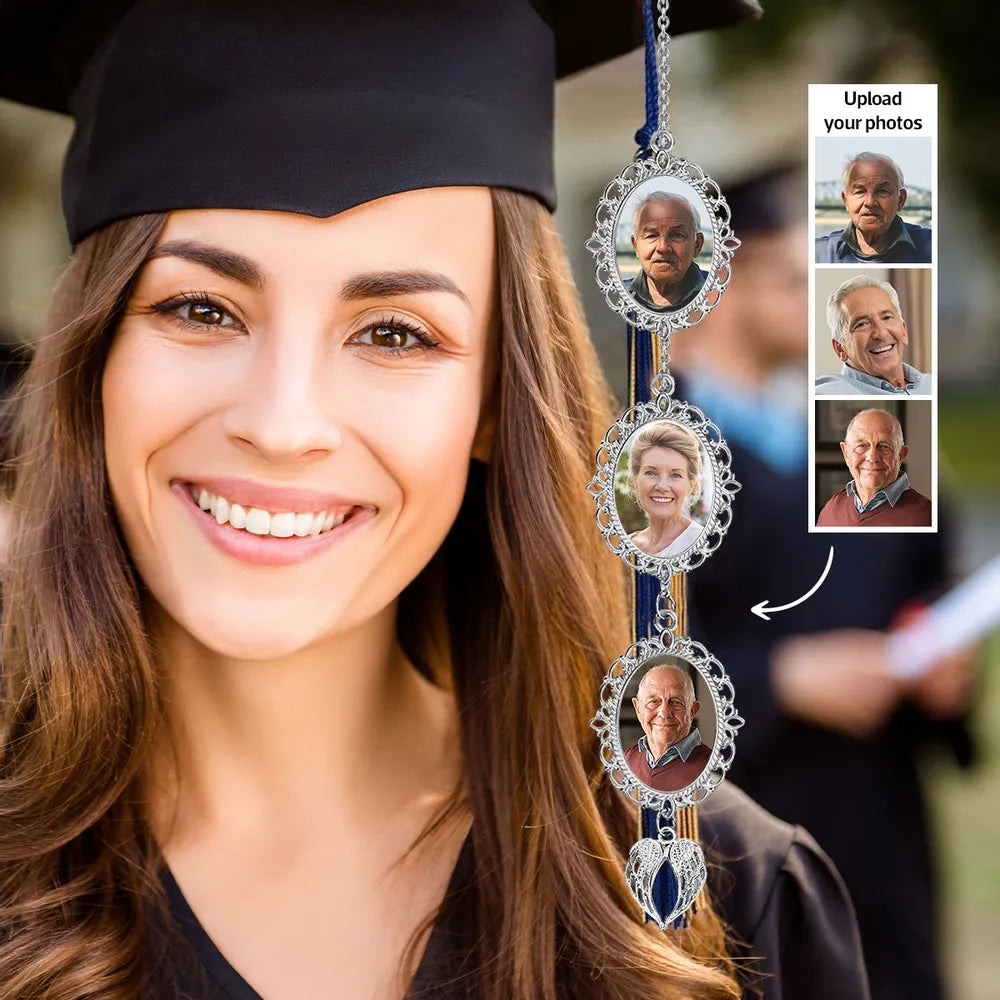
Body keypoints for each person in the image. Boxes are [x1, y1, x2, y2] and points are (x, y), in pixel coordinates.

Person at [0, 3, 873, 1000]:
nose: (284, 424)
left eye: (396, 334)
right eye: (198, 309)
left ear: (497, 402)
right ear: (91, 361)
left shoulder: (714, 902)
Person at [676, 164, 973, 1000]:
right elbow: (605, 656)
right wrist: (778, 679)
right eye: (805, 281)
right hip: (739, 837)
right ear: (724, 283)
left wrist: (940, 667)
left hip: (882, 827)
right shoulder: (652, 453)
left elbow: (923, 585)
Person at [816, 275, 931, 396]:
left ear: (904, 331)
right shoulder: (829, 393)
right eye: (862, 324)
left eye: (886, 317)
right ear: (840, 348)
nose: (881, 333)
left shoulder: (931, 384)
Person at [817, 408, 932, 527]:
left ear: (901, 455)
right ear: (846, 452)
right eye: (861, 446)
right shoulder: (831, 510)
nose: (872, 457)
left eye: (884, 446)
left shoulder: (927, 517)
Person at [815, 152, 932, 263]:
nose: (870, 202)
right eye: (860, 191)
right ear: (846, 201)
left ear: (901, 200)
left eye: (882, 191)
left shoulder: (932, 245)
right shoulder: (819, 254)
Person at [625, 665, 712, 792]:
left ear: (693, 710)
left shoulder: (711, 767)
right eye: (653, 701)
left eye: (676, 702)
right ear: (638, 709)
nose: (664, 713)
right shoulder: (628, 759)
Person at [626, 420, 704, 557]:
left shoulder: (703, 544)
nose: (662, 486)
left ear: (690, 486)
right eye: (650, 473)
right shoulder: (627, 546)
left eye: (675, 475)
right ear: (635, 480)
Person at [628, 192, 707, 311]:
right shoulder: (615, 298)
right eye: (651, 236)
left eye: (676, 235)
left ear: (697, 245)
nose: (663, 247)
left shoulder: (721, 294)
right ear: (636, 246)